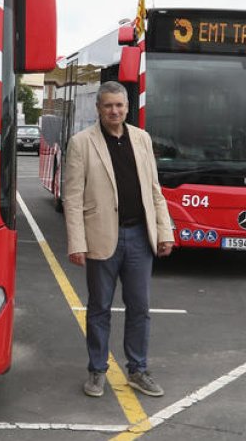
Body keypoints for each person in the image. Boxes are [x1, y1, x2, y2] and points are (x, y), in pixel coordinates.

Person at [63, 81, 174, 399]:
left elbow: (155, 190)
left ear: (127, 107)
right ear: (98, 108)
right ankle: (97, 371)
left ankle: (138, 370)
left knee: (140, 307)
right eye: (108, 105)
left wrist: (164, 232)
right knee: (99, 308)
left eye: (119, 105)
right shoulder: (81, 143)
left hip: (140, 237)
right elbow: (72, 198)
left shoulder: (142, 139)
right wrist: (77, 242)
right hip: (101, 238)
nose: (114, 110)